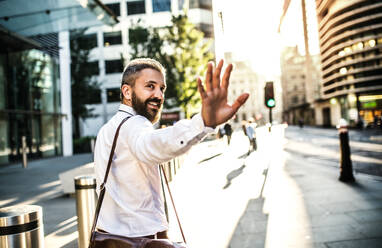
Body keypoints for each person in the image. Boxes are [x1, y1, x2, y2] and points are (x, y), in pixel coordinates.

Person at [93, 58, 249, 241]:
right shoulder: (135, 124)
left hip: (108, 238)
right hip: (141, 239)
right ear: (127, 91)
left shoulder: (107, 129)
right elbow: (150, 145)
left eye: (162, 88)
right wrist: (203, 122)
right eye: (150, 86)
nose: (159, 95)